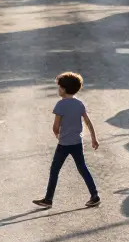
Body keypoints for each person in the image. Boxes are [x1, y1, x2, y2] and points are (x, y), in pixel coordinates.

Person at [33, 72, 100, 209]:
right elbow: (88, 122)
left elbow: (56, 126)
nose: (58, 90)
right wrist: (94, 138)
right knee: (83, 169)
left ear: (64, 89)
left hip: (63, 144)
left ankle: (48, 199)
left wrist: (57, 134)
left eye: (59, 88)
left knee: (55, 170)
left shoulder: (61, 105)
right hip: (77, 143)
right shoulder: (80, 104)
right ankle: (95, 196)